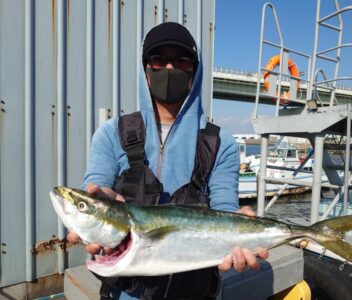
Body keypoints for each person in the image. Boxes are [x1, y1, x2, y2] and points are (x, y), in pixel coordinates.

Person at [68, 22, 268, 299]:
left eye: (181, 60)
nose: (170, 68)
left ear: (194, 71)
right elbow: (97, 183)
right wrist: (99, 198)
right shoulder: (113, 133)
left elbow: (224, 207)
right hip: (126, 291)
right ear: (146, 70)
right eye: (159, 60)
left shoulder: (220, 143)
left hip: (196, 291)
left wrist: (238, 227)